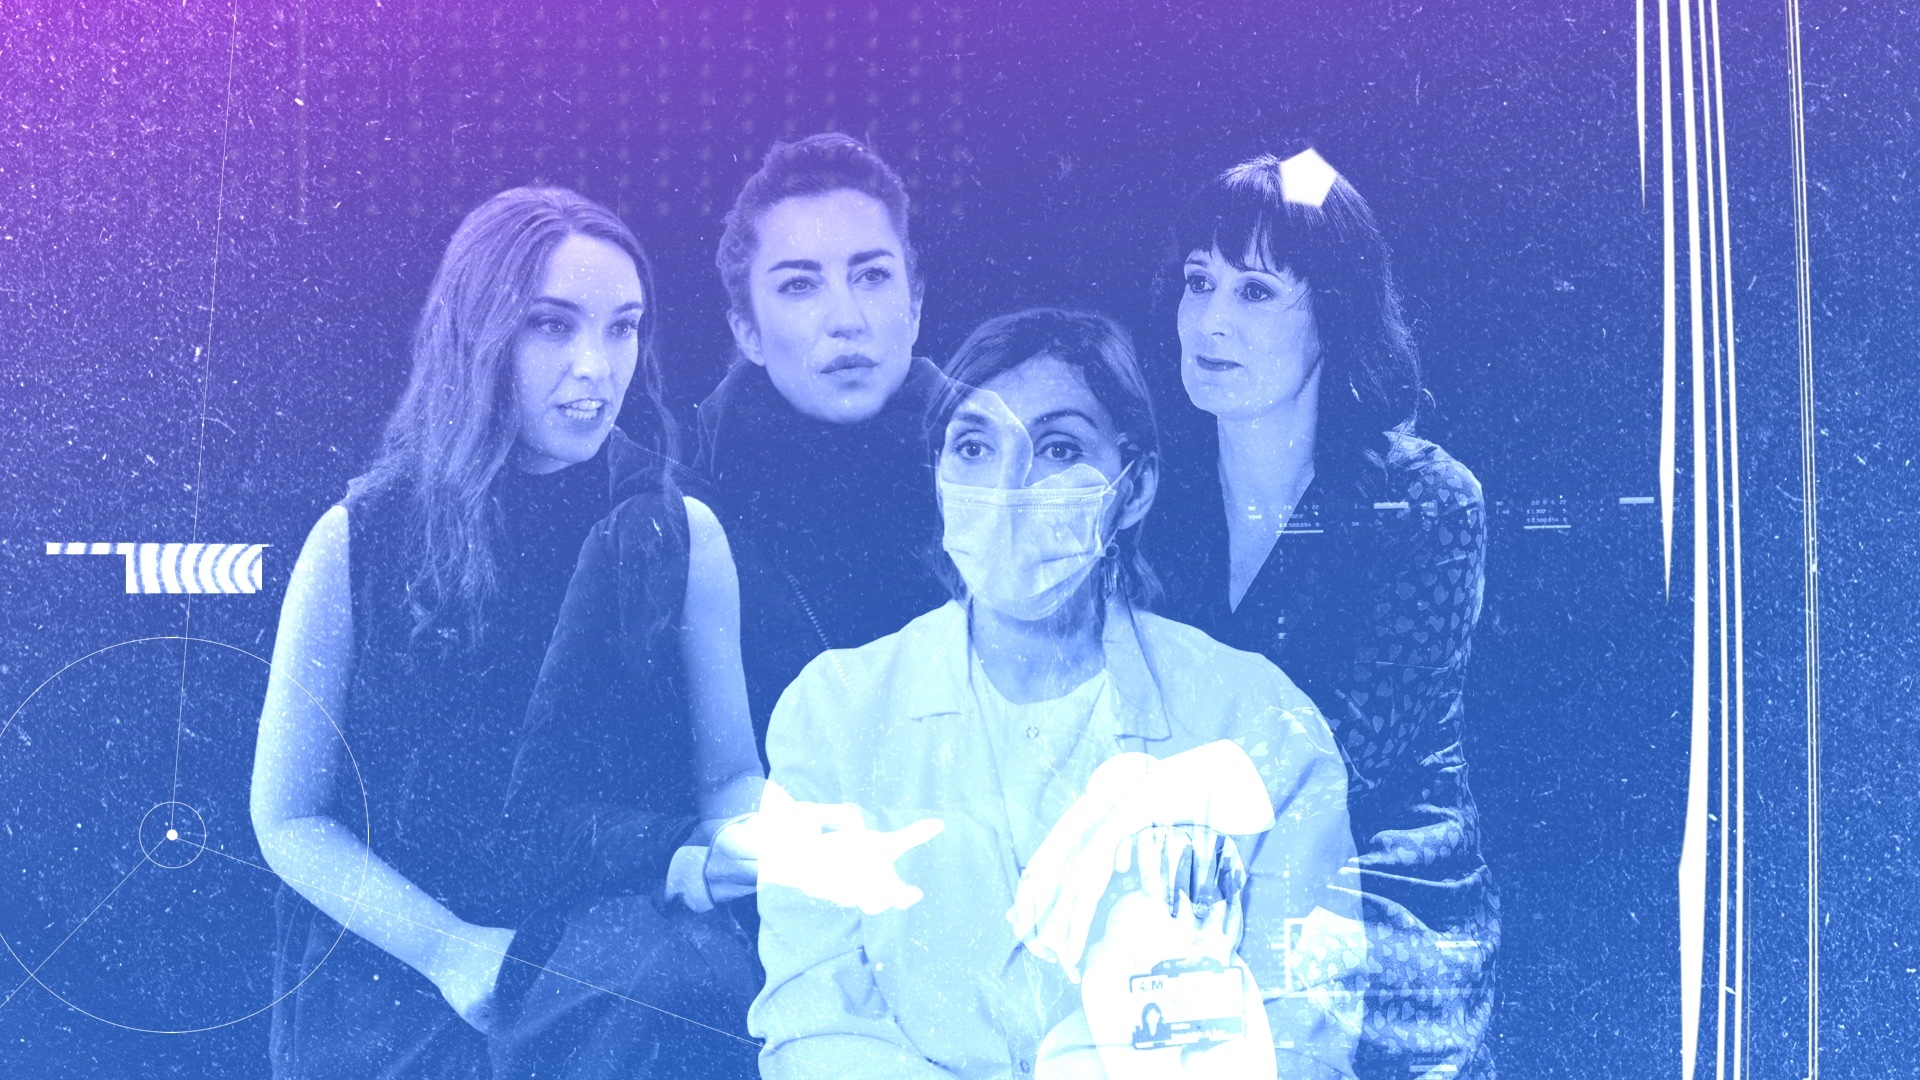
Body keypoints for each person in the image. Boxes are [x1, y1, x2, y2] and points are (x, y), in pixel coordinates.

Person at [750, 308, 1361, 1080]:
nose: (1009, 487)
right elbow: (814, 1023)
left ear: (1134, 487)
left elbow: (1305, 1035)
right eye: (974, 447)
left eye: (1060, 448)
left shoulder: (1256, 719)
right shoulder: (835, 710)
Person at [250, 187, 749, 1078]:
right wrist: (448, 949)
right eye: (552, 326)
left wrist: (762, 844)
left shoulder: (683, 534)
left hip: (607, 989)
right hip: (392, 982)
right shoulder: (356, 539)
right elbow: (288, 816)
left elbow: (728, 777)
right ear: (477, 336)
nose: (597, 366)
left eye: (623, 328)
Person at [1147, 149, 1498, 1079]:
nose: (1210, 320)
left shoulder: (1423, 501)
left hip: (1375, 891)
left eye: (1256, 292)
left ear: (1334, 315)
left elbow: (1343, 755)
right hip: (1182, 871)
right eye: (1198, 282)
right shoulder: (1153, 493)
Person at [695, 132, 951, 751]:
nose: (846, 320)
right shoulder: (691, 516)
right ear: (748, 333)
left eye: (872, 276)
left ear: (915, 306)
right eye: (799, 286)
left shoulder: (1018, 478)